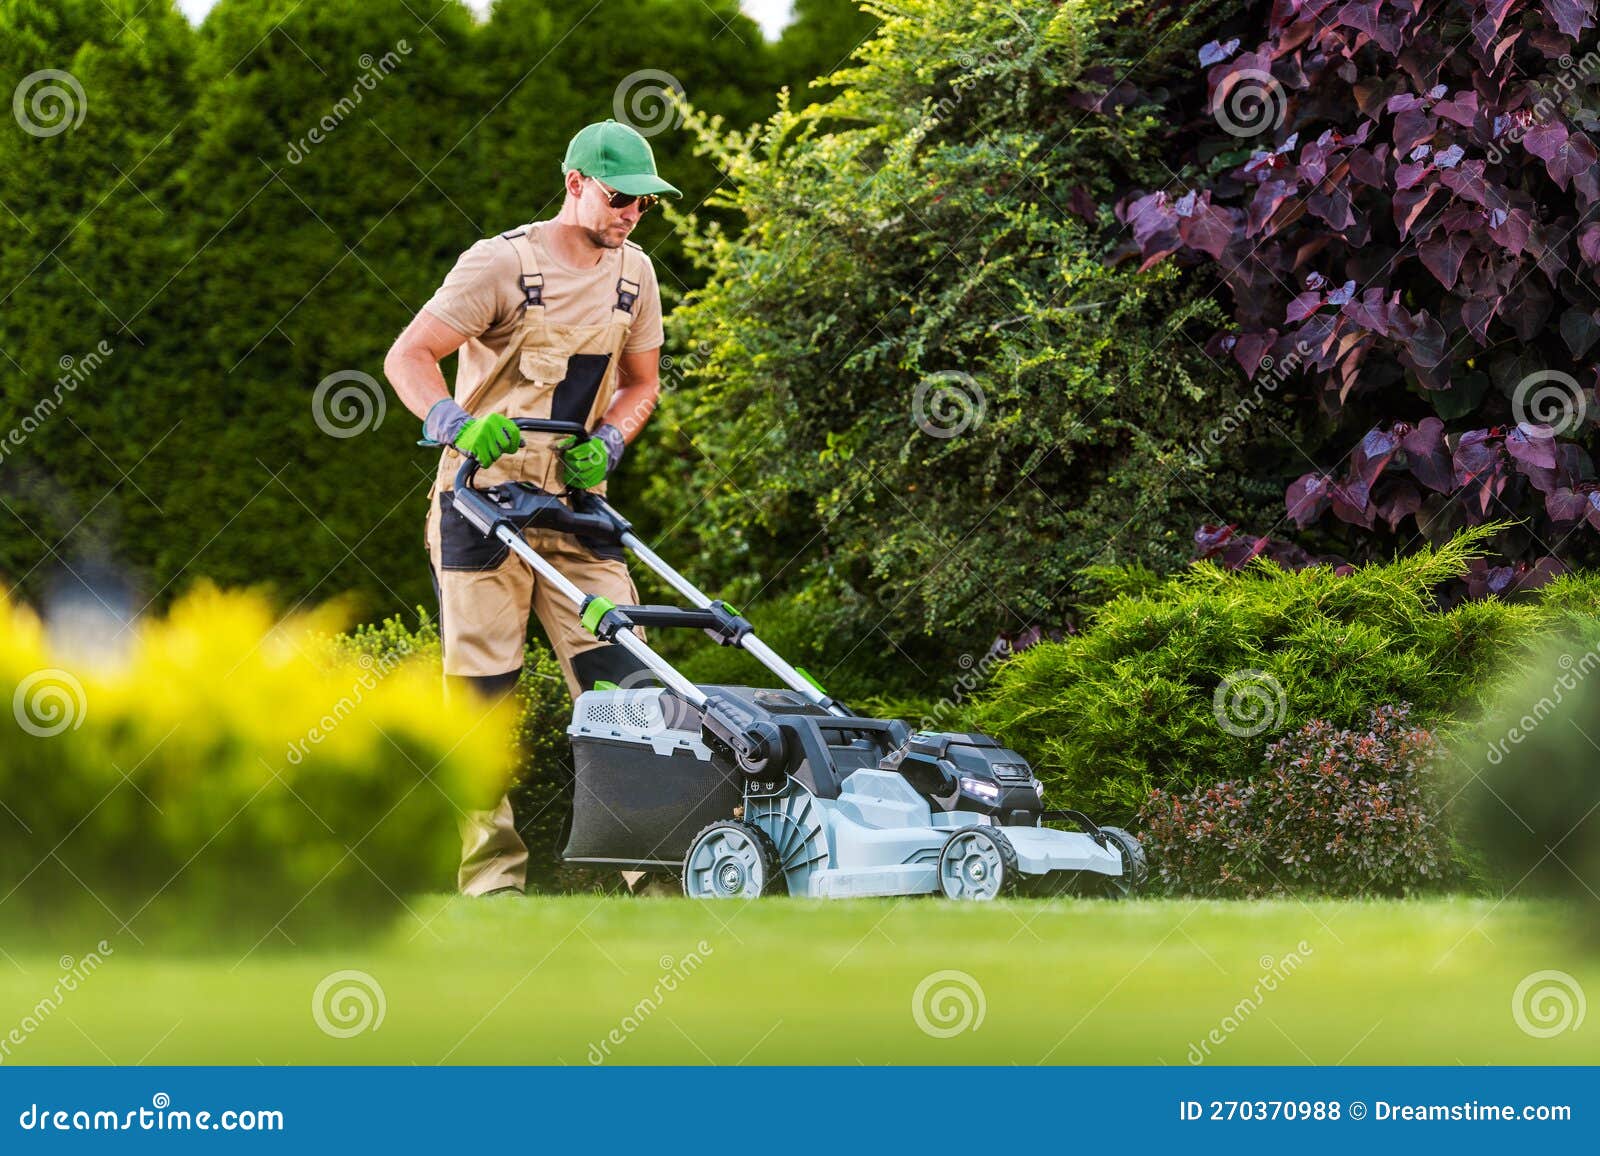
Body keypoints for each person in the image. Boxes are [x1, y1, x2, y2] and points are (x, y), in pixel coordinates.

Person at [383, 119, 679, 896]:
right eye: (620, 199)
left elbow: (641, 383)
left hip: (576, 506)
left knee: (625, 686)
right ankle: (493, 884)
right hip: (481, 501)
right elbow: (407, 355)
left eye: (644, 206)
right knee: (484, 698)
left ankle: (648, 876)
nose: (631, 217)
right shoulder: (501, 265)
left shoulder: (635, 276)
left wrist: (610, 442)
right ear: (576, 182)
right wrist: (454, 424)